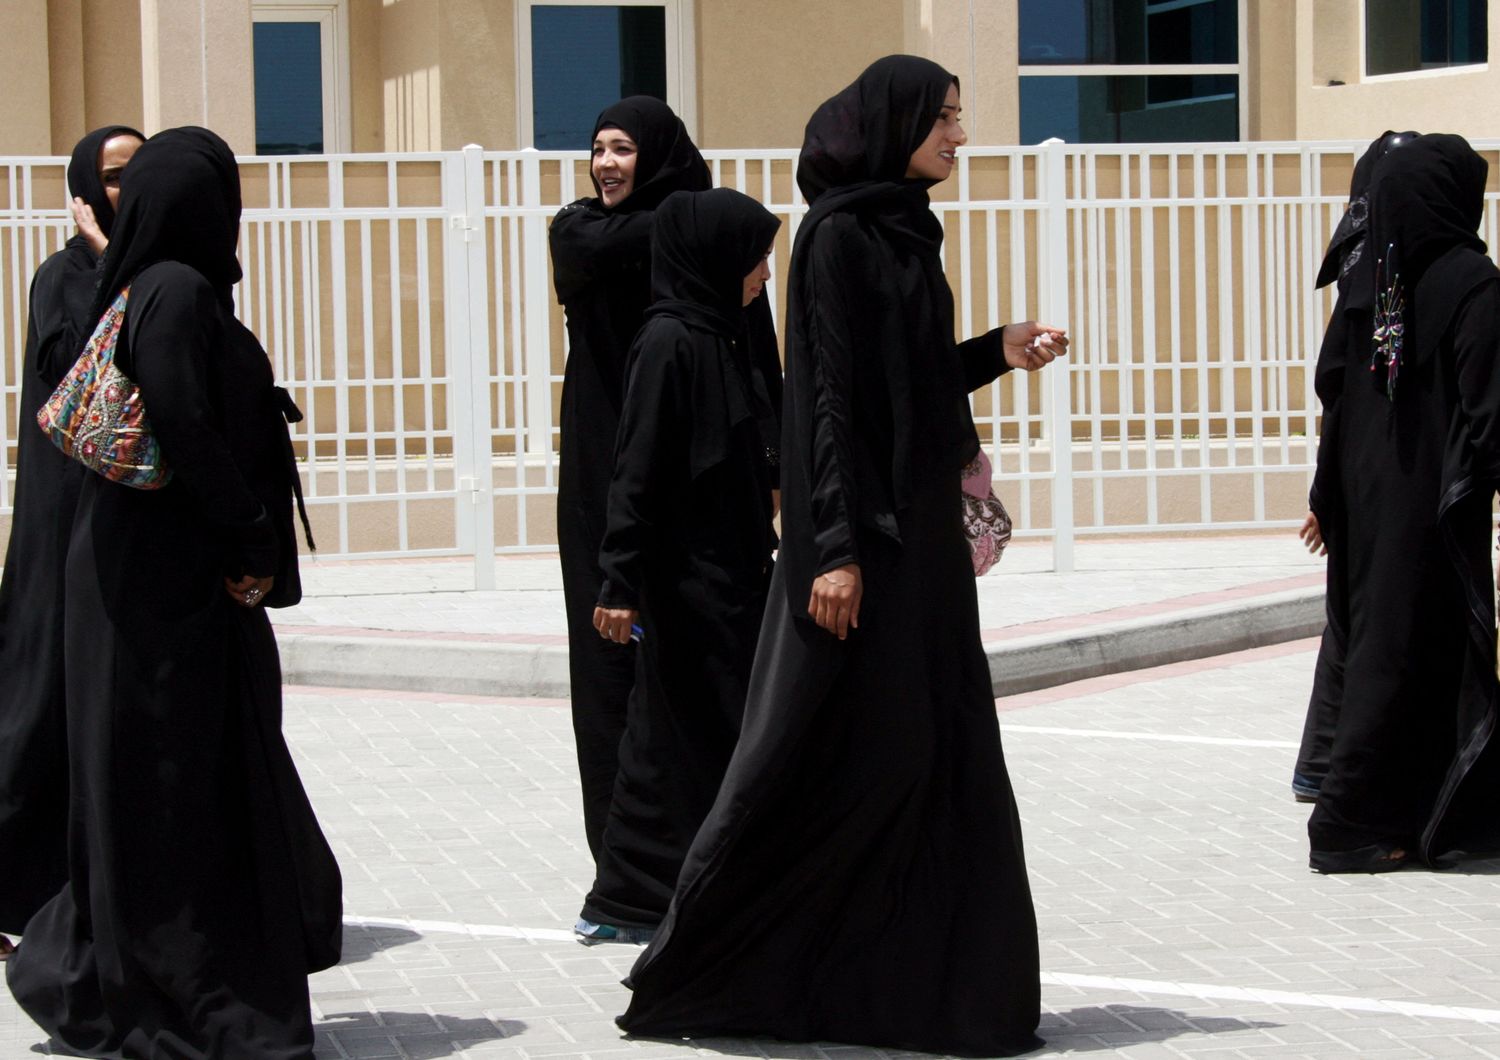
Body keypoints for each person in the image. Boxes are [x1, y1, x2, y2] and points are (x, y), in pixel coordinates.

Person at [617, 56, 1066, 1056]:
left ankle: (932, 989)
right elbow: (824, 404)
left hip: (922, 555)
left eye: (960, 117)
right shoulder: (838, 239)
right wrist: (832, 550)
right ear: (896, 120)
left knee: (934, 753)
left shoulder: (907, 232)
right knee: (827, 756)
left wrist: (1001, 346)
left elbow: (906, 381)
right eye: (944, 118)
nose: (959, 135)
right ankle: (742, 965)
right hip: (863, 552)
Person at [6, 127, 342, 1059]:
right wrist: (248, 535)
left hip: (148, 586)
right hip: (162, 597)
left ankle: (88, 974)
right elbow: (186, 424)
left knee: (165, 790)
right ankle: (175, 992)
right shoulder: (177, 294)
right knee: (170, 793)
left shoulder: (149, 288)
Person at [578, 188, 783, 944]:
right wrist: (620, 580)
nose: (763, 271)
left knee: (681, 736)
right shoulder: (669, 341)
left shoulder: (717, 333)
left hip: (731, 574)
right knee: (678, 735)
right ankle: (633, 899)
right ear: (714, 258)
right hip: (686, 581)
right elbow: (637, 468)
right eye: (754, 255)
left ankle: (648, 894)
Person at [1304, 133, 1500, 874]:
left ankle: (1439, 814)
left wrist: (1328, 499)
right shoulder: (1471, 281)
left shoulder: (1366, 286)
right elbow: (1489, 411)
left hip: (1365, 501)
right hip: (1432, 509)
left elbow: (1335, 401)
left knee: (1395, 650)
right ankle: (1347, 824)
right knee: (1409, 655)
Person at [548, 98, 711, 868]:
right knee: (607, 655)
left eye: (623, 149)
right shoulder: (581, 228)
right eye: (598, 147)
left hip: (687, 465)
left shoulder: (694, 231)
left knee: (687, 650)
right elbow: (596, 244)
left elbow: (752, 345)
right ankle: (619, 855)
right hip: (597, 464)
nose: (606, 163)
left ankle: (693, 838)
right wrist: (692, 223)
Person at [0, 124, 143, 958]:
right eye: (117, 176)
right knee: (37, 703)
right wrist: (101, 259)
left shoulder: (155, 271)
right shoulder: (66, 272)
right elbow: (75, 359)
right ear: (87, 188)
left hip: (119, 516)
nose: (131, 190)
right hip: (65, 514)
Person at [1292, 130, 1418, 804]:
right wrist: (1326, 494)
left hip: (1357, 478)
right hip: (1374, 481)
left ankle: (1320, 763)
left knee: (1347, 623)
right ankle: (1331, 765)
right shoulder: (1383, 274)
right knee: (1362, 625)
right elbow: (1338, 392)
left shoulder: (1366, 266)